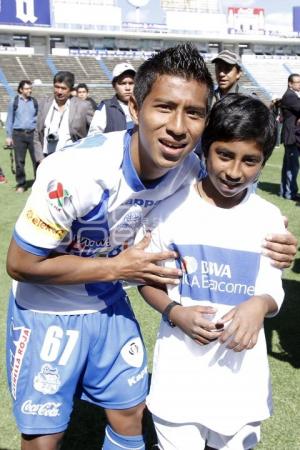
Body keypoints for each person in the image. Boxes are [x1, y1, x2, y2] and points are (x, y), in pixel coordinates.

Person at [5, 44, 296, 450]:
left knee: (130, 412)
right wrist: (117, 269)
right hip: (46, 308)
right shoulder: (75, 172)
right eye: (164, 107)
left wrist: (272, 230)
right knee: (44, 433)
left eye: (193, 113)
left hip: (106, 303)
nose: (178, 126)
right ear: (136, 107)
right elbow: (19, 263)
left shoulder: (190, 169)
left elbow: (231, 200)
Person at [138, 94, 286, 450]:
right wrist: (176, 312)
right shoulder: (169, 209)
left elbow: (272, 288)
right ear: (206, 149)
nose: (235, 172)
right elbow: (148, 281)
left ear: (264, 161)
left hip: (240, 382)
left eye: (250, 161)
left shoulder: (267, 217)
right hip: (179, 376)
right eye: (224, 155)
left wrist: (259, 305)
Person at [33, 71, 94, 163]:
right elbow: (36, 133)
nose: (59, 92)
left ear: (70, 90)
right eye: (57, 87)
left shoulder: (83, 106)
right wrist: (40, 159)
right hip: (46, 159)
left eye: (63, 88)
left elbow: (95, 130)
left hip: (72, 159)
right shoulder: (43, 104)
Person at [5, 80, 38, 193]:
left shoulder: (34, 102)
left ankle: (38, 183)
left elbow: (37, 118)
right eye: (27, 88)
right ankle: (21, 184)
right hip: (18, 135)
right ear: (21, 90)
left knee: (37, 160)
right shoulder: (14, 102)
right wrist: (9, 136)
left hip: (33, 134)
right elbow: (9, 120)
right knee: (19, 162)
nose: (30, 90)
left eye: (30, 88)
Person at [88, 62, 136, 134]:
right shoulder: (105, 107)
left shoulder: (144, 106)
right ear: (114, 85)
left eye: (131, 83)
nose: (128, 88)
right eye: (123, 83)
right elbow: (93, 136)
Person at [279, 73, 300, 200]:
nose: (299, 85)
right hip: (292, 136)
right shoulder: (290, 96)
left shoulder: (291, 95)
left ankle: (285, 192)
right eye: (297, 82)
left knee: (289, 166)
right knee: (292, 166)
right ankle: (290, 193)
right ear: (290, 84)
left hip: (290, 135)